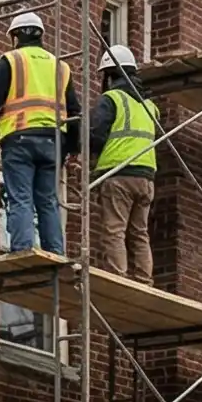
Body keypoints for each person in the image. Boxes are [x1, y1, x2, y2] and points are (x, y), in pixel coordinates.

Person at [0, 10, 79, 256]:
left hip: (20, 139)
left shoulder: (11, 60)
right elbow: (75, 112)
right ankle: (55, 251)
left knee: (21, 197)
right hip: (52, 143)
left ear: (14, 36)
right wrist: (72, 148)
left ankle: (22, 249)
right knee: (47, 200)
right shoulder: (61, 67)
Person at [84, 44, 160, 284]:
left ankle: (119, 278)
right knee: (139, 233)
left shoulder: (112, 98)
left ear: (109, 74)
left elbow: (96, 135)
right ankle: (144, 280)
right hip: (146, 178)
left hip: (119, 174)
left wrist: (82, 152)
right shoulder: (151, 106)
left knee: (114, 230)